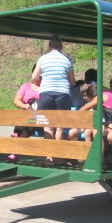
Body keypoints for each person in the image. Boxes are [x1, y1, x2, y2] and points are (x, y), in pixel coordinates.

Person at [32, 35, 75, 165]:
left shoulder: (43, 58)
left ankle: (48, 158)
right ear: (61, 47)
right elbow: (72, 82)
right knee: (60, 128)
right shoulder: (67, 59)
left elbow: (34, 77)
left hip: (46, 94)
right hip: (63, 94)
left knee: (48, 127)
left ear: (49, 46)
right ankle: (58, 158)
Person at [69, 84, 112, 169]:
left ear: (93, 95)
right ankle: (101, 159)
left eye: (90, 98)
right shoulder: (106, 94)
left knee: (111, 137)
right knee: (98, 130)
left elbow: (85, 108)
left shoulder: (101, 96)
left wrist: (71, 117)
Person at [11, 66, 41, 139]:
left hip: (39, 117)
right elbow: (16, 100)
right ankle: (16, 135)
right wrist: (24, 106)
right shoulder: (26, 86)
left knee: (32, 121)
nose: (38, 77)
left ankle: (20, 139)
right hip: (26, 114)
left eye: (40, 75)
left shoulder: (47, 88)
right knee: (22, 120)